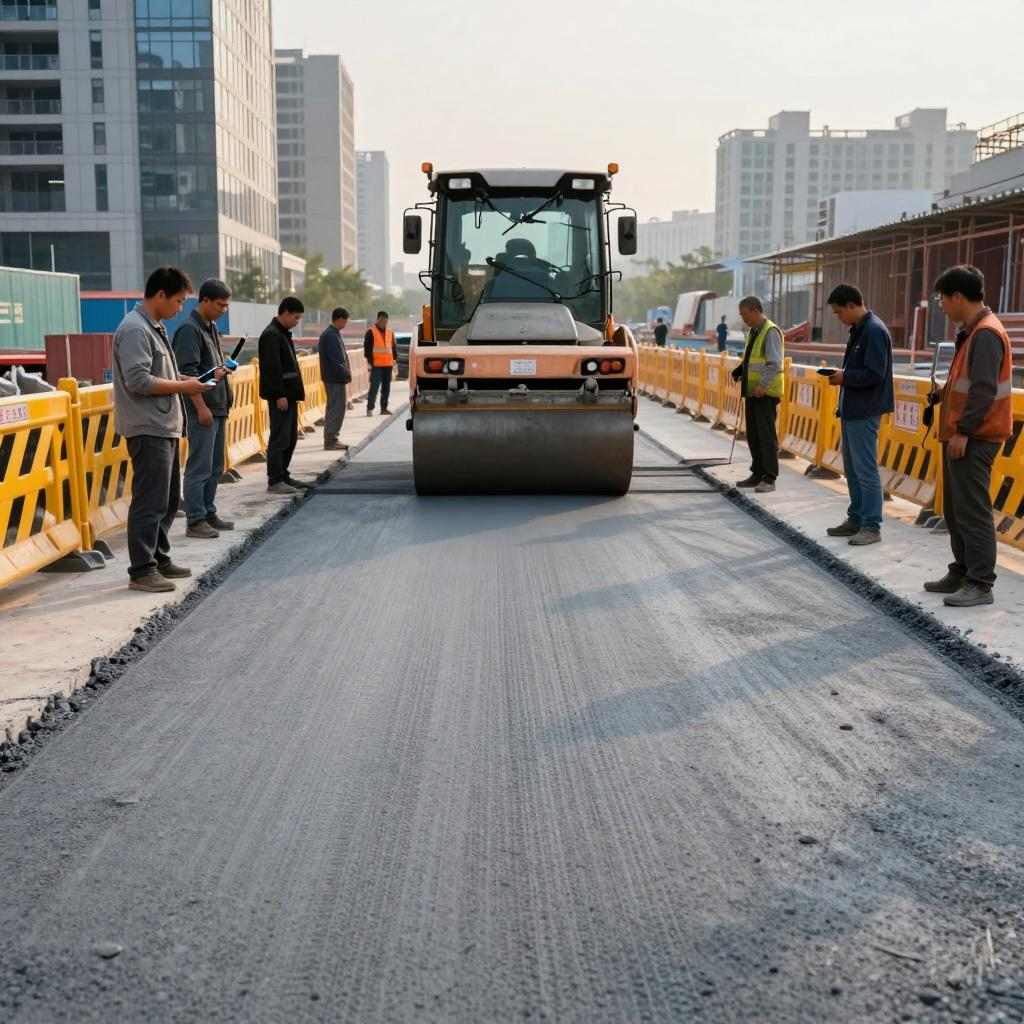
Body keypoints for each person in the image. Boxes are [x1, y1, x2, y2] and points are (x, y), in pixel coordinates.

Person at [112, 267, 216, 593]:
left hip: (164, 426)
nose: (180, 308)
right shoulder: (134, 330)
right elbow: (139, 380)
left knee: (170, 500)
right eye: (178, 301)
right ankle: (141, 569)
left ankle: (159, 557)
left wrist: (192, 382)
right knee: (150, 501)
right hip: (147, 427)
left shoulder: (154, 327)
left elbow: (161, 375)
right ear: (160, 295)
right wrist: (185, 387)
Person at [923, 265, 1013, 607]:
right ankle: (961, 570)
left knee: (972, 510)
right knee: (957, 508)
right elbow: (967, 384)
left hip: (975, 437)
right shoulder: (972, 332)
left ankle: (980, 582)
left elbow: (984, 390)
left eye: (942, 299)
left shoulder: (987, 334)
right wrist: (942, 397)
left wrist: (963, 431)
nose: (942, 306)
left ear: (958, 296)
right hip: (962, 434)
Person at [823, 284, 894, 547]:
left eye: (840, 312)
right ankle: (856, 518)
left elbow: (875, 373)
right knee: (852, 469)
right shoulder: (860, 330)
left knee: (865, 470)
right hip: (852, 408)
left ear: (852, 305)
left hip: (865, 410)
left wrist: (845, 377)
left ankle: (871, 526)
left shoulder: (874, 331)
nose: (839, 318)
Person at [172, 279, 235, 540]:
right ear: (205, 301)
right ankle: (195, 519)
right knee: (200, 466)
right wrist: (200, 408)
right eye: (220, 305)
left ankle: (208, 511)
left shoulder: (210, 328)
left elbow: (209, 370)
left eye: (226, 306)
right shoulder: (189, 330)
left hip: (218, 406)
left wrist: (224, 369)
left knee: (215, 465)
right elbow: (187, 375)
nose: (223, 310)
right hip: (204, 409)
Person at [730, 296, 784, 493]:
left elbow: (774, 364)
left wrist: (762, 385)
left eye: (744, 314)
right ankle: (757, 472)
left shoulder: (770, 332)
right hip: (753, 392)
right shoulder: (754, 331)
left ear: (755, 310)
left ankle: (769, 477)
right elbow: (752, 360)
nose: (743, 319)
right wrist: (739, 371)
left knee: (766, 435)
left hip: (765, 393)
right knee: (753, 435)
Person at [259, 296, 308, 495]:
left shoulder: (283, 333)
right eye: (295, 318)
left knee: (290, 437)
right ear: (285, 312)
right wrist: (279, 394)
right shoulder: (271, 335)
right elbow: (272, 369)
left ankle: (283, 474)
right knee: (280, 437)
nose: (297, 322)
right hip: (281, 396)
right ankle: (275, 479)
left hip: (289, 395)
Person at [318, 306, 351, 452]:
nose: (345, 324)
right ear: (339, 319)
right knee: (336, 409)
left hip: (335, 377)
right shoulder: (331, 335)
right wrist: (346, 373)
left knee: (335, 408)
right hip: (335, 378)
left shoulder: (333, 333)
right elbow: (335, 360)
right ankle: (331, 440)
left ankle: (332, 438)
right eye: (345, 321)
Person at [364, 310, 397, 416]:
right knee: (374, 387)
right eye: (382, 320)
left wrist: (395, 360)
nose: (384, 323)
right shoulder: (371, 332)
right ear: (378, 319)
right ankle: (370, 408)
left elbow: (393, 347)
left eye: (386, 321)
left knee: (386, 388)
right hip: (376, 365)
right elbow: (367, 350)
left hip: (388, 364)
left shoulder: (390, 332)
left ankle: (384, 408)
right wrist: (370, 362)